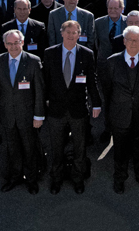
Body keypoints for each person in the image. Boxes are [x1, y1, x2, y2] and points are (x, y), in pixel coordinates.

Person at [42, 20, 101, 194]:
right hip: (56, 110)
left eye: (74, 32)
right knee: (56, 146)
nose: (70, 35)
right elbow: (45, 82)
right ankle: (56, 178)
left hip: (78, 110)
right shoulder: (50, 53)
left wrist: (96, 103)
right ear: (61, 33)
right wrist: (41, 108)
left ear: (79, 35)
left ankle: (78, 178)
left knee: (79, 147)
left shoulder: (87, 54)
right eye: (67, 32)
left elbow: (92, 81)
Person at [99, 26, 139, 193]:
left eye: (136, 40)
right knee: (120, 150)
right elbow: (107, 90)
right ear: (123, 41)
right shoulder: (112, 61)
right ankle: (120, 177)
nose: (132, 43)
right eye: (129, 39)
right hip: (119, 114)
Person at [0, 29, 45, 193]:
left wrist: (38, 115)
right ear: (5, 45)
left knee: (29, 148)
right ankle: (15, 177)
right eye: (9, 43)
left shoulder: (33, 61)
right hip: (7, 114)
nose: (13, 46)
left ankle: (31, 179)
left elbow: (39, 91)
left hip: (27, 115)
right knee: (12, 149)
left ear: (22, 43)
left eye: (16, 43)